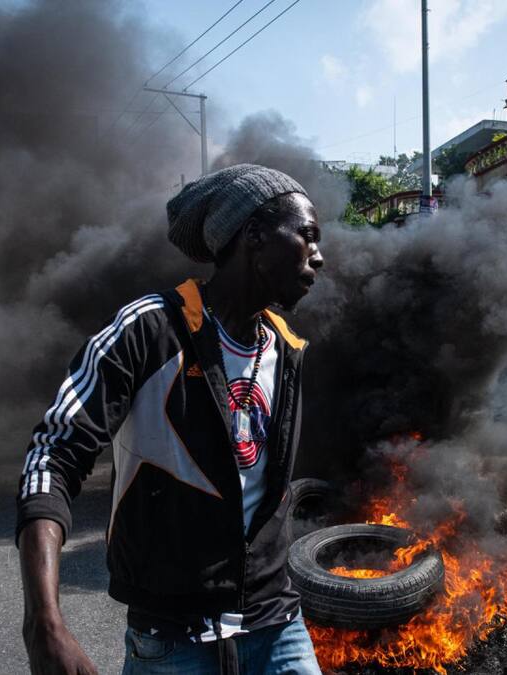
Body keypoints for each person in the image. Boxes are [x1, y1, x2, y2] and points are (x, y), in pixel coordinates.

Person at [16, 164, 325, 675]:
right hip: (173, 641)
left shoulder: (287, 348)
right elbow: (52, 454)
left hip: (277, 627)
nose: (319, 255)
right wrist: (43, 623)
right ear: (253, 235)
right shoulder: (150, 331)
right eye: (307, 236)